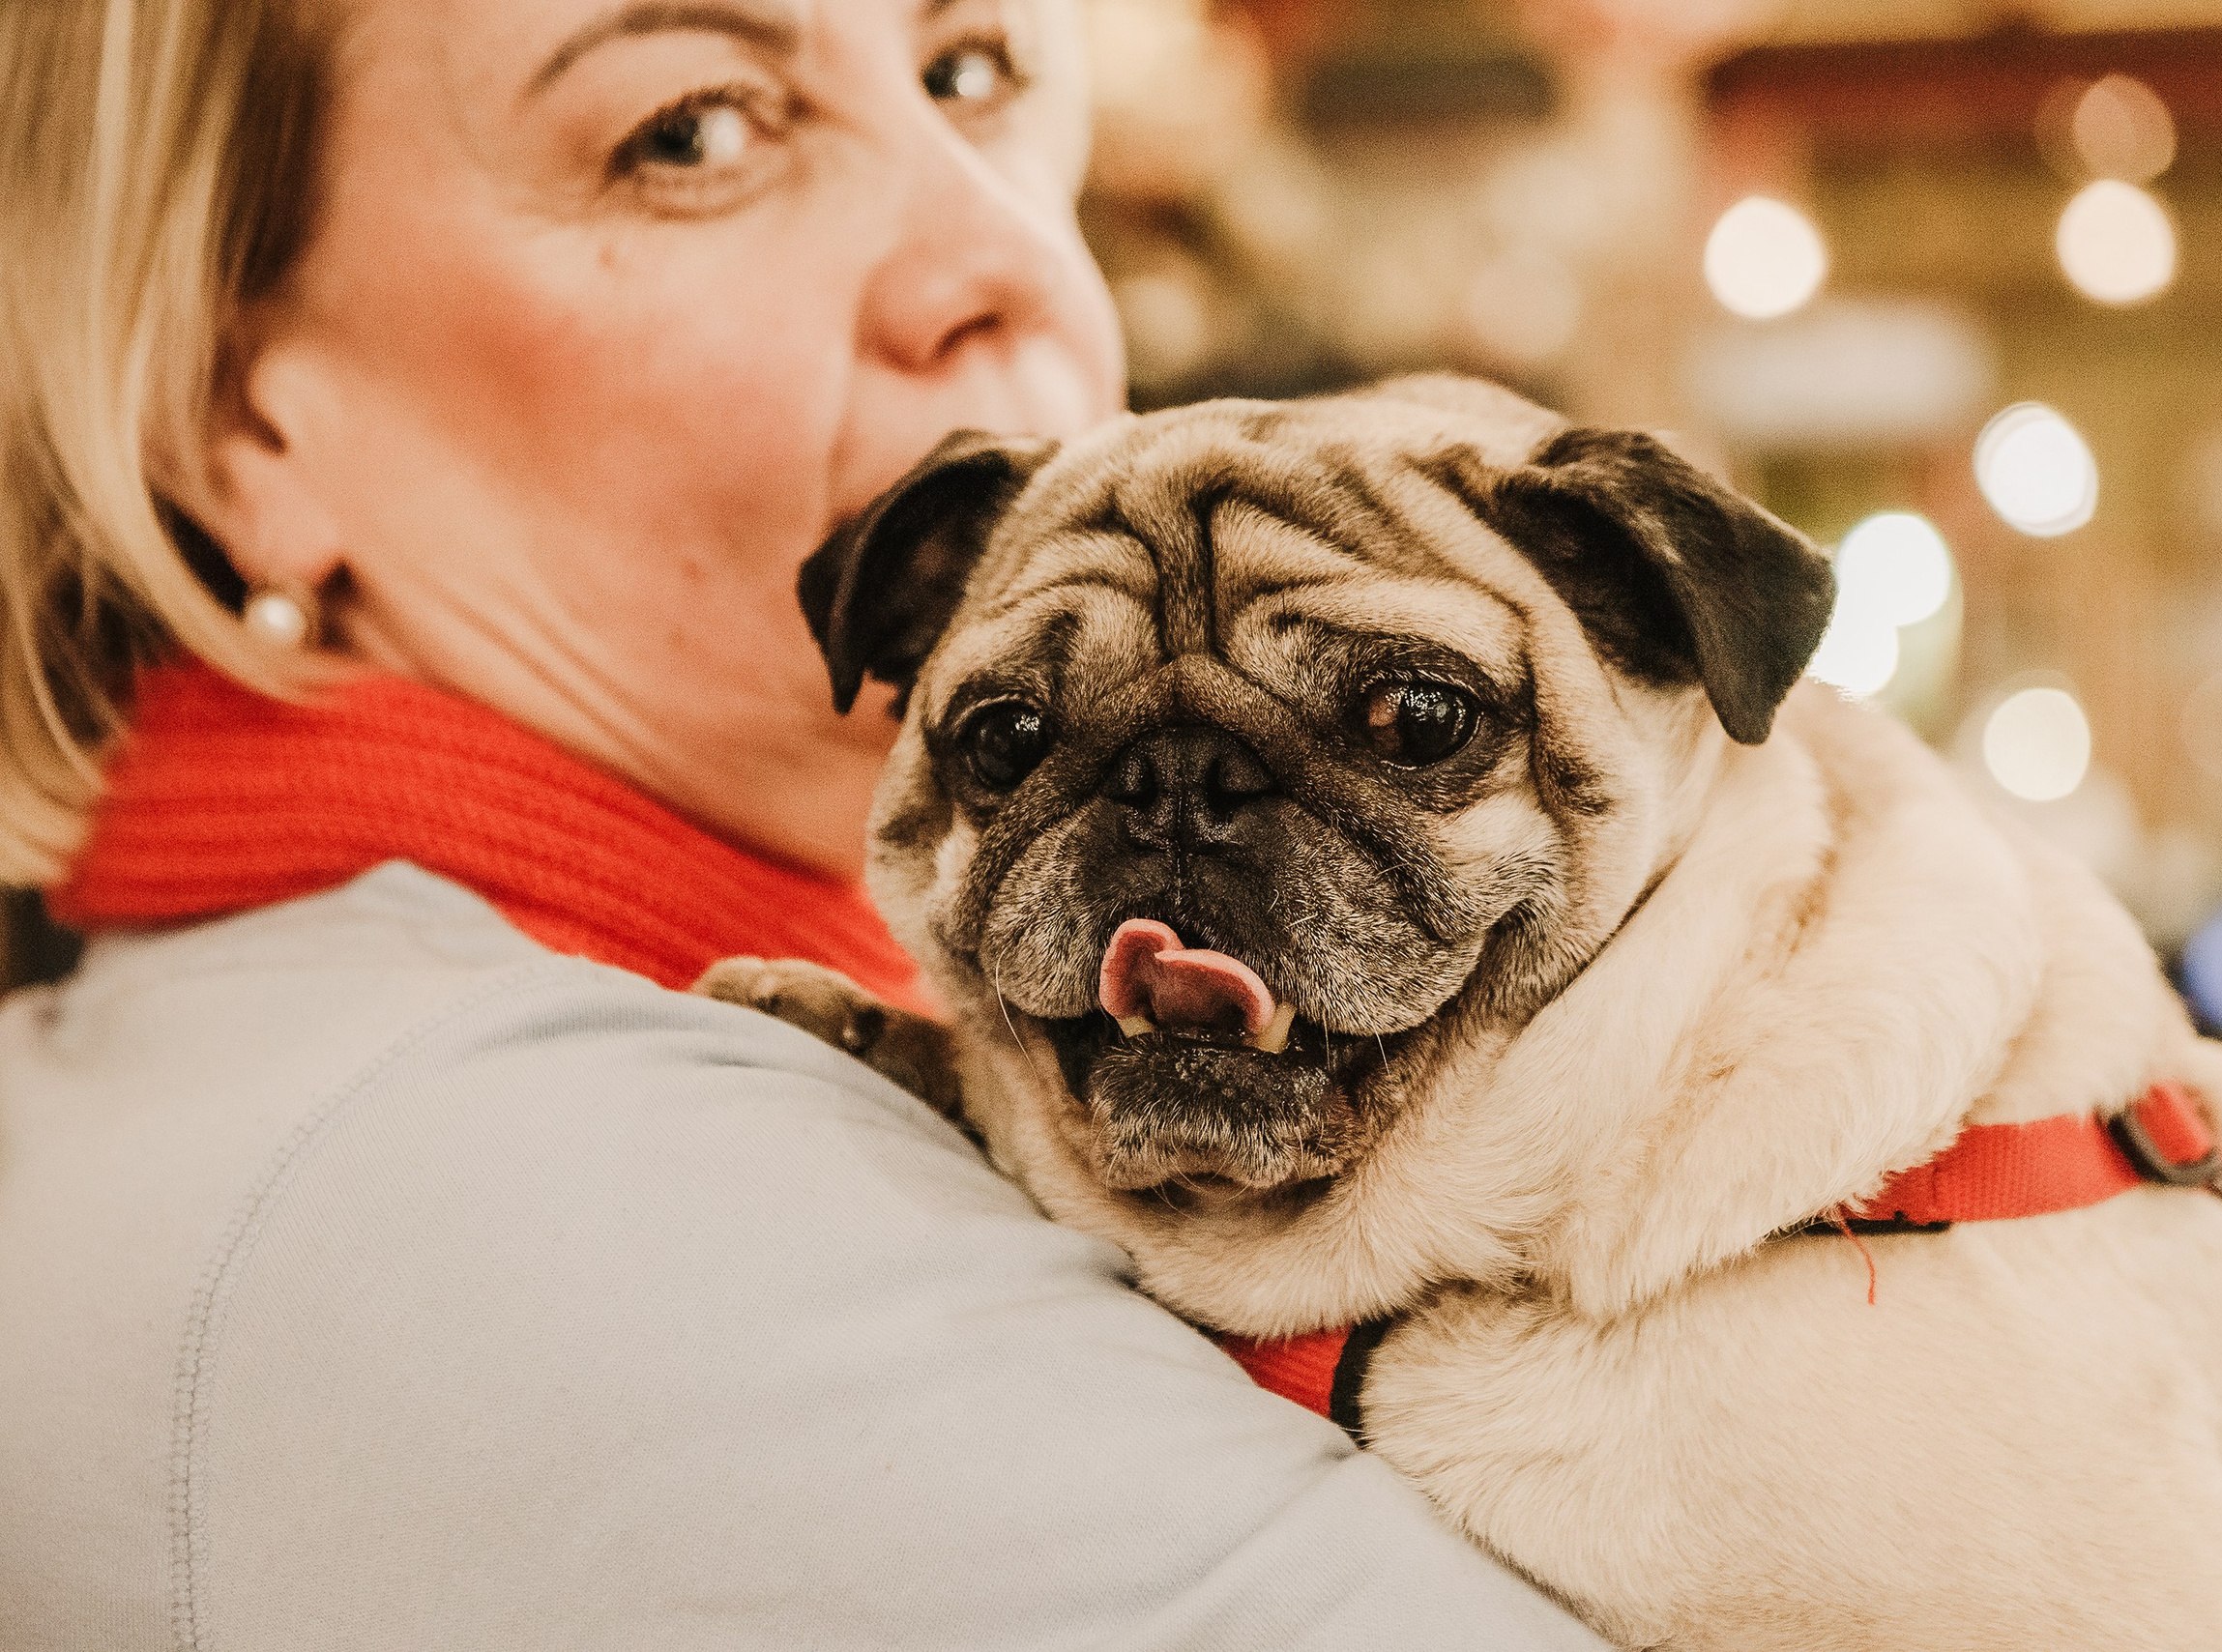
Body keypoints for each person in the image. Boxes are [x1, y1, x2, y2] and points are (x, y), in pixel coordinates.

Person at [0, 3, 1610, 1646]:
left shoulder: (220, 1031)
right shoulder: (572, 1214)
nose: (1008, 259)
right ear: (235, 420)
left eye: (967, 73)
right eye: (691, 132)